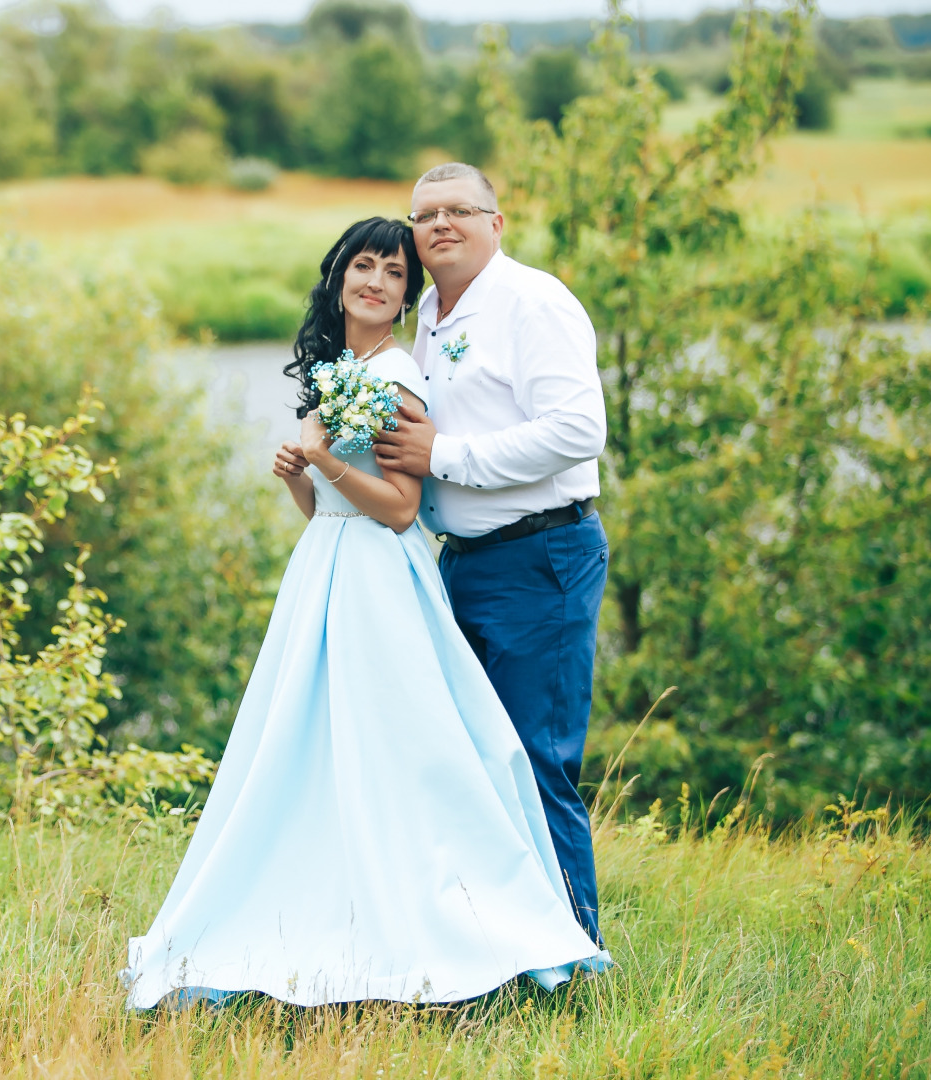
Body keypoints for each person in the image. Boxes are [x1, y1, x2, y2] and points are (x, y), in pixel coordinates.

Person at [122, 216, 608, 1011]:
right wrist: (297, 477)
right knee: (316, 746)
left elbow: (397, 510)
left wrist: (319, 457)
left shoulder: (396, 376)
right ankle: (328, 909)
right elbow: (329, 513)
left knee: (402, 751)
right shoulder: (339, 368)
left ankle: (491, 929)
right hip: (329, 570)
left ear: (406, 294)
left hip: (382, 578)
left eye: (393, 271)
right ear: (339, 276)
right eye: (363, 265)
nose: (376, 281)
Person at [375, 162, 610, 945]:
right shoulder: (434, 312)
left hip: (539, 557)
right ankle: (497, 951)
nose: (439, 224)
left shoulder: (532, 301)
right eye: (425, 214)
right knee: (474, 765)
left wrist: (445, 457)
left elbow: (579, 431)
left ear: (496, 223)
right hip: (465, 564)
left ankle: (575, 957)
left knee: (533, 763)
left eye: (458, 210)